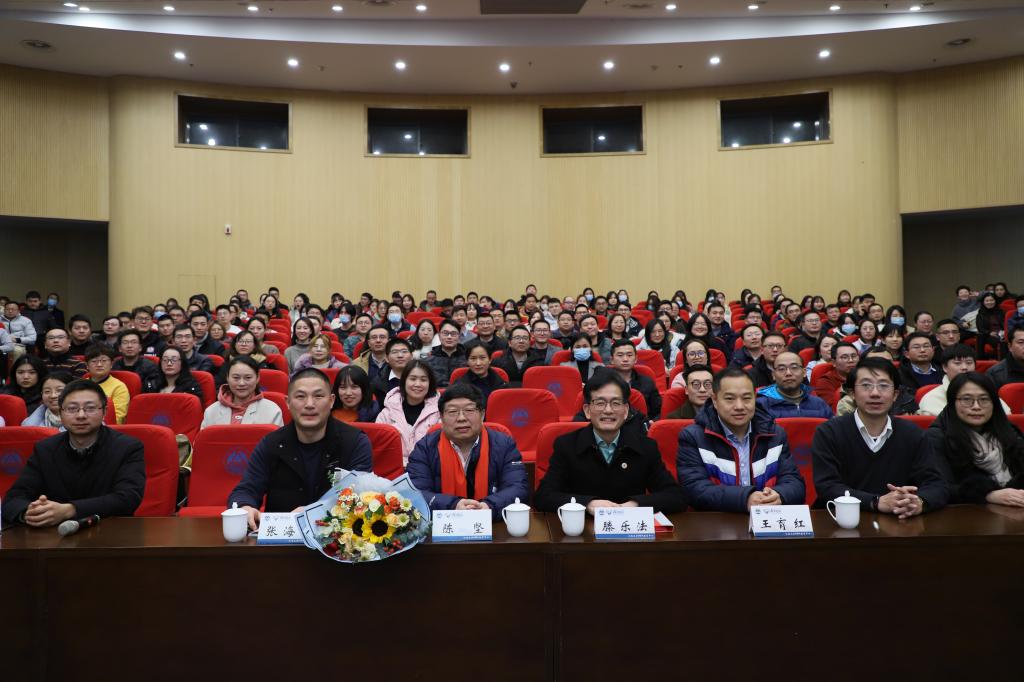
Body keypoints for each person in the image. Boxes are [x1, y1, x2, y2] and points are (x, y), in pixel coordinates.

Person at [228, 368, 374, 530]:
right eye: (300, 396)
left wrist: (314, 513)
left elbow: (361, 498)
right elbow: (246, 489)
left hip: (338, 537)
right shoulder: (271, 443)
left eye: (318, 396)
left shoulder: (355, 442)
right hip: (281, 537)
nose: (309, 404)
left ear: (332, 401)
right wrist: (245, 506)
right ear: (287, 402)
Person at [811, 357, 949, 517]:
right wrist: (875, 502)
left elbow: (936, 484)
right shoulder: (829, 432)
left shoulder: (913, 433)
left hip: (900, 520)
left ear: (895, 395)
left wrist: (919, 502)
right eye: (866, 385)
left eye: (883, 386)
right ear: (852, 393)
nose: (875, 393)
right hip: (843, 520)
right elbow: (827, 487)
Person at [534, 370, 685, 514]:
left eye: (616, 403)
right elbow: (543, 497)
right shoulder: (566, 445)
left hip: (629, 528)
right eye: (600, 403)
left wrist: (636, 504)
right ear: (587, 410)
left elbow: (675, 496)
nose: (608, 410)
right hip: (583, 528)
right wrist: (587, 504)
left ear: (626, 410)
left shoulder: (646, 447)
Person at [1, 378, 146, 527]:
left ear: (104, 411)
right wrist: (30, 513)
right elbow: (14, 498)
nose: (81, 415)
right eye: (71, 409)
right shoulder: (45, 449)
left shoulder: (127, 447)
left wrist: (70, 510)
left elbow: (128, 498)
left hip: (111, 531)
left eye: (90, 408)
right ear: (61, 413)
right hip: (55, 535)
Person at [677, 367, 805, 512]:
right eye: (730, 399)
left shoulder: (774, 433)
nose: (739, 406)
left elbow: (794, 483)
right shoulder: (694, 437)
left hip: (767, 518)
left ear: (755, 398)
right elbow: (694, 490)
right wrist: (745, 498)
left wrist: (779, 495)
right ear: (714, 400)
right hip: (718, 521)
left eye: (746, 398)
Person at [407, 383, 530, 518]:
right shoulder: (425, 447)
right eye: (452, 412)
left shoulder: (503, 445)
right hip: (440, 526)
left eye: (469, 410)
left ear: (482, 414)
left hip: (494, 525)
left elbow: (518, 488)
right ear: (441, 417)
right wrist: (453, 506)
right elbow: (414, 493)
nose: (461, 418)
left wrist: (489, 506)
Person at [927, 372, 1024, 505]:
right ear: (952, 403)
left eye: (984, 399)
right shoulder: (936, 437)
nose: (976, 406)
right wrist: (987, 495)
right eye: (967, 400)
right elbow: (938, 487)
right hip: (965, 512)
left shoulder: (1009, 432)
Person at [375, 360, 441, 462]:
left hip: (428, 467)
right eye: (413, 379)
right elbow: (379, 448)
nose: (417, 384)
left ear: (430, 383)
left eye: (423, 380)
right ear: (404, 381)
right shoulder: (387, 413)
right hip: (395, 466)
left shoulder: (440, 413)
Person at [200, 355, 284, 428]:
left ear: (257, 378)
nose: (241, 383)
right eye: (236, 378)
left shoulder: (272, 410)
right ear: (227, 378)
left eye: (248, 378)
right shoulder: (211, 411)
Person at [755, 351, 833, 419]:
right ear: (773, 375)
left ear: (804, 372)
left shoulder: (819, 404)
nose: (788, 373)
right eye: (781, 369)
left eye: (794, 367)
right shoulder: (761, 405)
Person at [607, 338, 661, 419]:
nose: (625, 359)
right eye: (620, 355)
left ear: (635, 359)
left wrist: (652, 422)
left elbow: (658, 411)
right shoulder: (602, 383)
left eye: (629, 355)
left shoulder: (647, 382)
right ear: (612, 360)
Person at [84, 345, 130, 423]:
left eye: (104, 361)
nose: (99, 364)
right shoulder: (80, 385)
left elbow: (117, 418)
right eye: (94, 361)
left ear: (111, 364)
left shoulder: (119, 387)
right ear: (87, 365)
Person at [370, 337, 414, 403]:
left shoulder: (423, 377)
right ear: (386, 358)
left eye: (404, 351)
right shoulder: (377, 383)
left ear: (411, 356)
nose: (400, 355)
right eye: (394, 352)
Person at [426, 320, 468, 388]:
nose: (449, 337)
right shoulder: (427, 361)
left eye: (453, 334)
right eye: (445, 333)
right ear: (439, 335)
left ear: (459, 336)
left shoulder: (468, 359)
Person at [975, 291, 1006, 360]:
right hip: (988, 335)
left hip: (1002, 333)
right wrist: (989, 333)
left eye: (991, 300)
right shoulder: (980, 314)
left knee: (1004, 341)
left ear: (995, 301)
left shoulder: (1001, 312)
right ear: (983, 302)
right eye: (987, 301)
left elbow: (1005, 323)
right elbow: (980, 328)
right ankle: (982, 359)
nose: (989, 302)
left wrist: (1004, 332)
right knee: (981, 336)